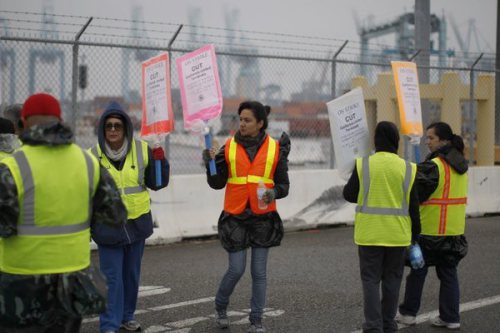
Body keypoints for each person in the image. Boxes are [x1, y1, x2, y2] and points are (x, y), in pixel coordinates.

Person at [0, 93, 127, 333]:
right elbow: (116, 215)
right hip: (72, 283)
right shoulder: (88, 163)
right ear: (60, 120)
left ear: (22, 124)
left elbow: (4, 228)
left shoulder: (12, 167)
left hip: (21, 284)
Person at [203, 101, 290, 333]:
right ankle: (220, 307)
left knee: (259, 272)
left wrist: (274, 192)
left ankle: (256, 321)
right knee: (236, 269)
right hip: (235, 216)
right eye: (240, 119)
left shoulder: (274, 148)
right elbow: (217, 183)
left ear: (260, 123)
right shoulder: (228, 146)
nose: (242, 123)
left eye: (247, 120)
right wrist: (209, 162)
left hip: (263, 217)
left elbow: (284, 186)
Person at [89, 101, 170, 333]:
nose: (113, 130)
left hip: (137, 224)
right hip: (108, 227)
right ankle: (109, 325)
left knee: (131, 276)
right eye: (108, 126)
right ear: (102, 129)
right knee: (112, 280)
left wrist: (158, 156)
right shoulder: (92, 156)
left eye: (118, 125)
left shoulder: (143, 149)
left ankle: (127, 316)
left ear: (126, 128)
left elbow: (158, 182)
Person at [343, 121, 420, 333]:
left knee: (370, 280)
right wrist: (416, 235)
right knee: (392, 280)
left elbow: (348, 194)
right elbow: (414, 205)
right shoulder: (408, 167)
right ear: (396, 141)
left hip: (369, 234)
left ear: (375, 140)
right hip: (398, 235)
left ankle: (373, 326)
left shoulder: (364, 164)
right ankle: (388, 323)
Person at [397, 122, 468, 330]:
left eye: (431, 138)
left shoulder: (434, 166)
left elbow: (415, 193)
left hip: (429, 231)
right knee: (448, 274)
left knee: (418, 271)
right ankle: (451, 317)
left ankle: (408, 314)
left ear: (443, 140)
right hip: (453, 231)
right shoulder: (461, 165)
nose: (427, 142)